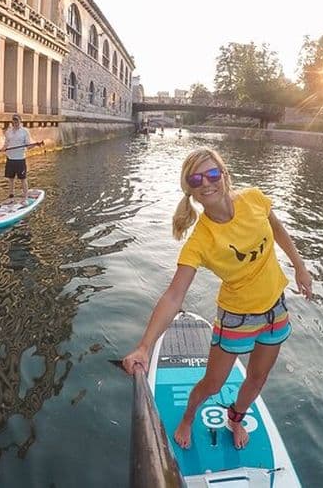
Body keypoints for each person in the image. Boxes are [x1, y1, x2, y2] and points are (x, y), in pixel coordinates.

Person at [122, 147, 312, 450]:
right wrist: (145, 346)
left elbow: (278, 229)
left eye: (212, 174)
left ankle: (235, 418)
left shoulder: (254, 198)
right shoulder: (200, 240)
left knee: (258, 378)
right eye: (196, 180)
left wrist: (300, 267)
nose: (207, 183)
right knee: (212, 385)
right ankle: (188, 418)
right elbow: (174, 295)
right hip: (236, 319)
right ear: (190, 191)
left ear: (224, 175)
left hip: (276, 310)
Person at [3, 114, 35, 202]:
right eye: (14, 120)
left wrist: (34, 145)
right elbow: (6, 143)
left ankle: (25, 197)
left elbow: (28, 146)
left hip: (20, 159)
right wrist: (3, 148)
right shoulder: (8, 131)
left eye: (17, 120)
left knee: (23, 179)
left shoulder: (25, 131)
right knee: (11, 178)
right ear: (12, 121)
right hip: (10, 158)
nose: (15, 122)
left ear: (20, 121)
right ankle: (11, 196)